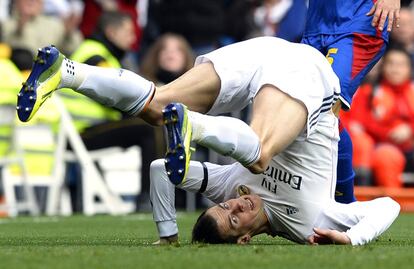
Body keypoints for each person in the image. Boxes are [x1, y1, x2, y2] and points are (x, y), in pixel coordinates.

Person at [16, 36, 400, 245]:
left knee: (162, 106)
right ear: (245, 238)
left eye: (225, 208)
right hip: (302, 69)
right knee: (162, 108)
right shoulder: (309, 226)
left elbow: (160, 170)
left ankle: (71, 75)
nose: (235, 204)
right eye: (234, 217)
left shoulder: (228, 188)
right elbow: (387, 207)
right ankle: (66, 73)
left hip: (266, 53)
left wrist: (168, 236)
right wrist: (354, 240)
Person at [301, 0, 401, 204]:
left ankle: (345, 203)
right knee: (299, 107)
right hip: (317, 23)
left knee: (325, 106)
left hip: (360, 20)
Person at [342, 46, 414, 188]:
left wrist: (410, 129)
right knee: (385, 155)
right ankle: (392, 204)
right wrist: (389, 132)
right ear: (383, 67)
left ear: (409, 68)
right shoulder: (368, 92)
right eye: (391, 64)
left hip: (410, 147)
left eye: (400, 65)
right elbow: (359, 124)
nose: (395, 69)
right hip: (380, 149)